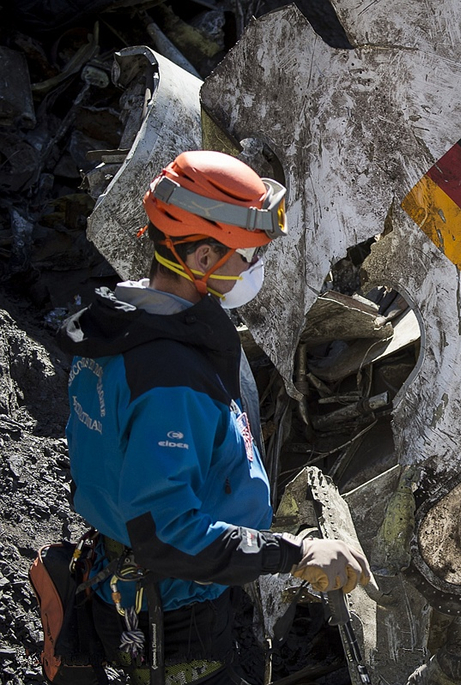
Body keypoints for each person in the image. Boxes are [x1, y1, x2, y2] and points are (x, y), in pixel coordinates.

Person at [58, 150, 371, 685]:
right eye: (248, 256)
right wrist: (294, 551)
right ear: (202, 259)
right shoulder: (168, 377)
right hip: (177, 621)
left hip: (140, 581)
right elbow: (168, 533)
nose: (255, 268)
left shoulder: (122, 328)